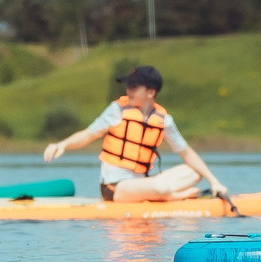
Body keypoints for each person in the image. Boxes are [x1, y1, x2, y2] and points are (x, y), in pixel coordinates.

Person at [42, 64, 230, 203]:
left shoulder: (164, 120)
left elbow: (186, 153)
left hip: (143, 182)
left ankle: (162, 194)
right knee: (160, 187)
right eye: (128, 86)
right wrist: (62, 145)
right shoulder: (117, 110)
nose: (128, 90)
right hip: (115, 187)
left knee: (196, 171)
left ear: (150, 92)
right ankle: (170, 196)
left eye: (134, 87)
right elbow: (88, 134)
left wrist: (214, 182)